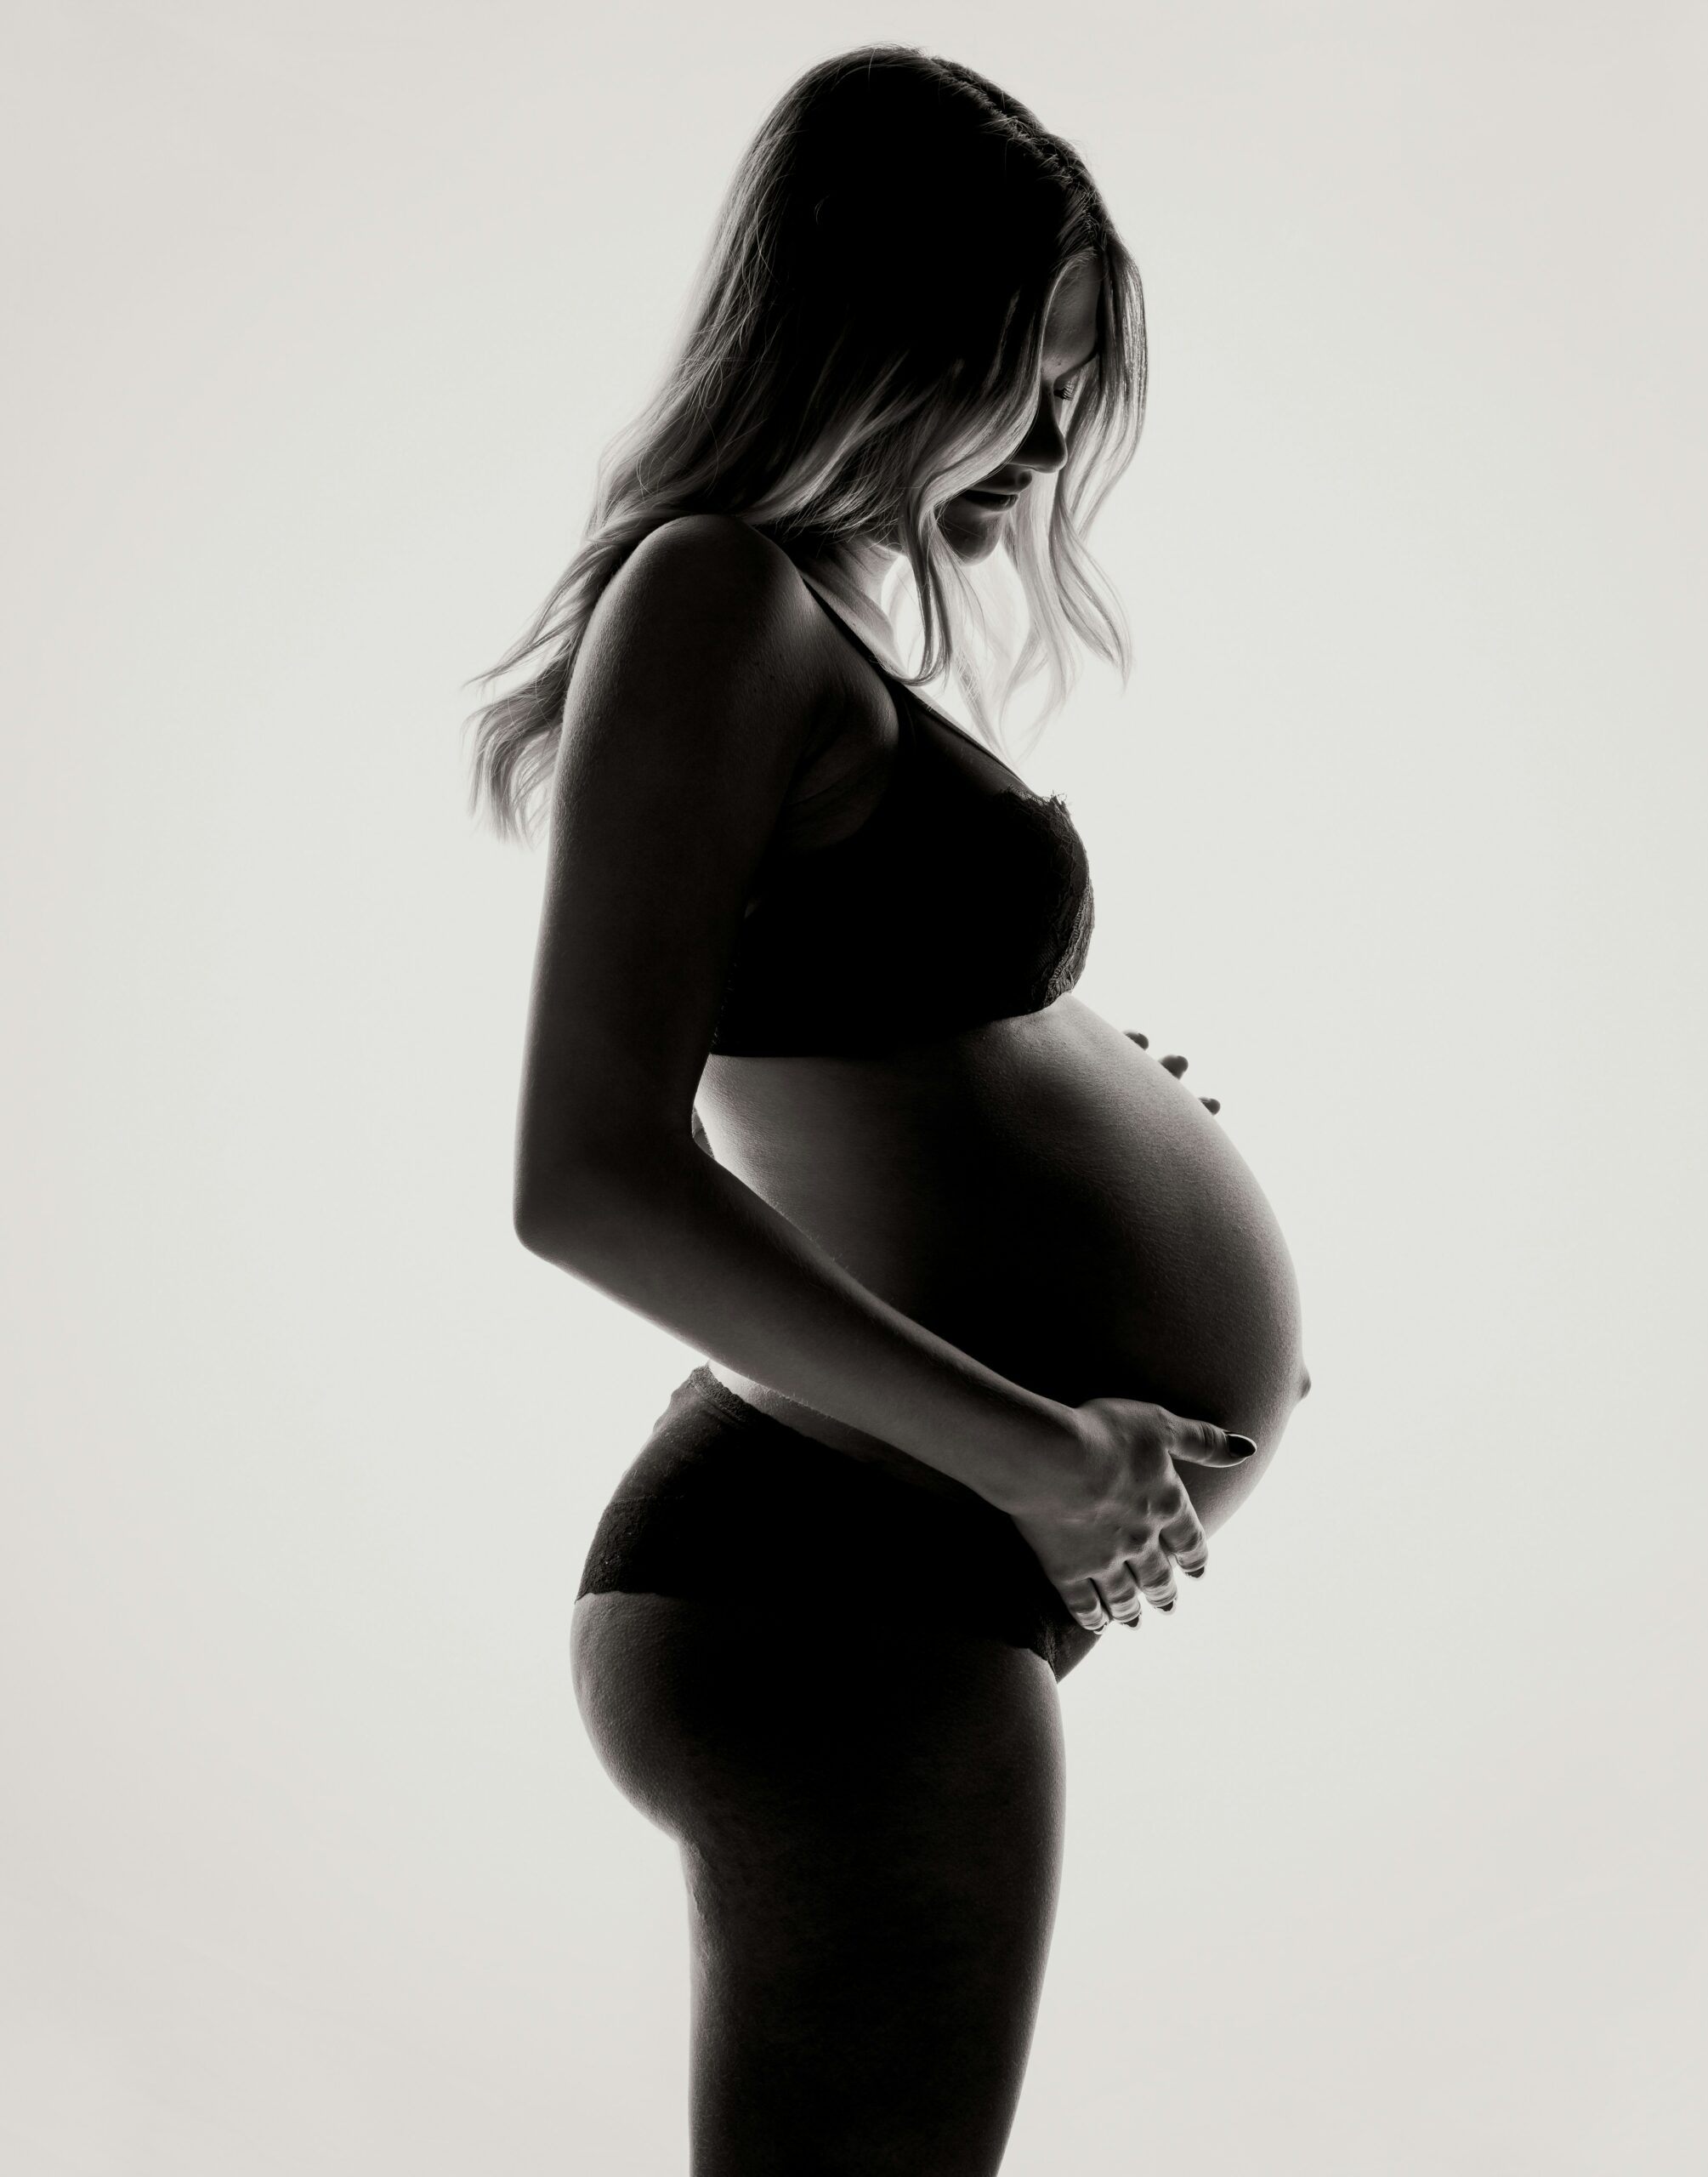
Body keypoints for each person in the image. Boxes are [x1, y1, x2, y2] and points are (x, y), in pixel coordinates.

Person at [468, 45, 1310, 2176]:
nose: (1044, 437)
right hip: (840, 1578)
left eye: (1069, 386)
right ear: (875, 332)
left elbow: (844, 1044)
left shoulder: (815, 616)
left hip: (895, 1565)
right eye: (1016, 371)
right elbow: (583, 1178)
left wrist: (1065, 1096)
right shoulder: (714, 594)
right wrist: (1047, 1442)